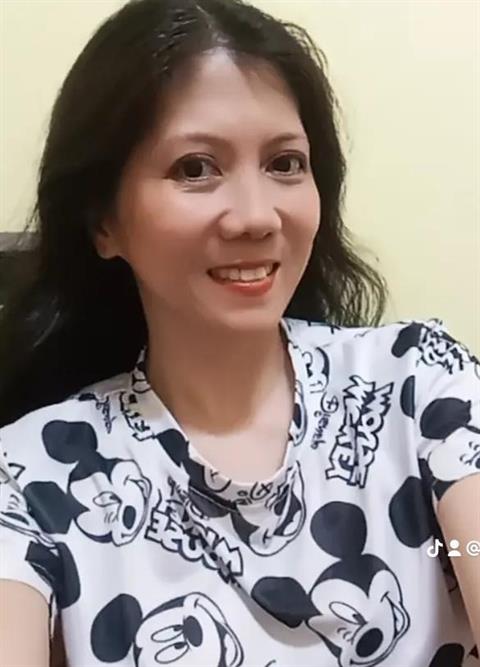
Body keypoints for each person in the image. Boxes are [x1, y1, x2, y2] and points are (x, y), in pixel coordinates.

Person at [0, 0, 478, 665]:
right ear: (103, 222)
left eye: (285, 163)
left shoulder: (420, 386)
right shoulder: (31, 476)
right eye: (195, 168)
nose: (256, 216)